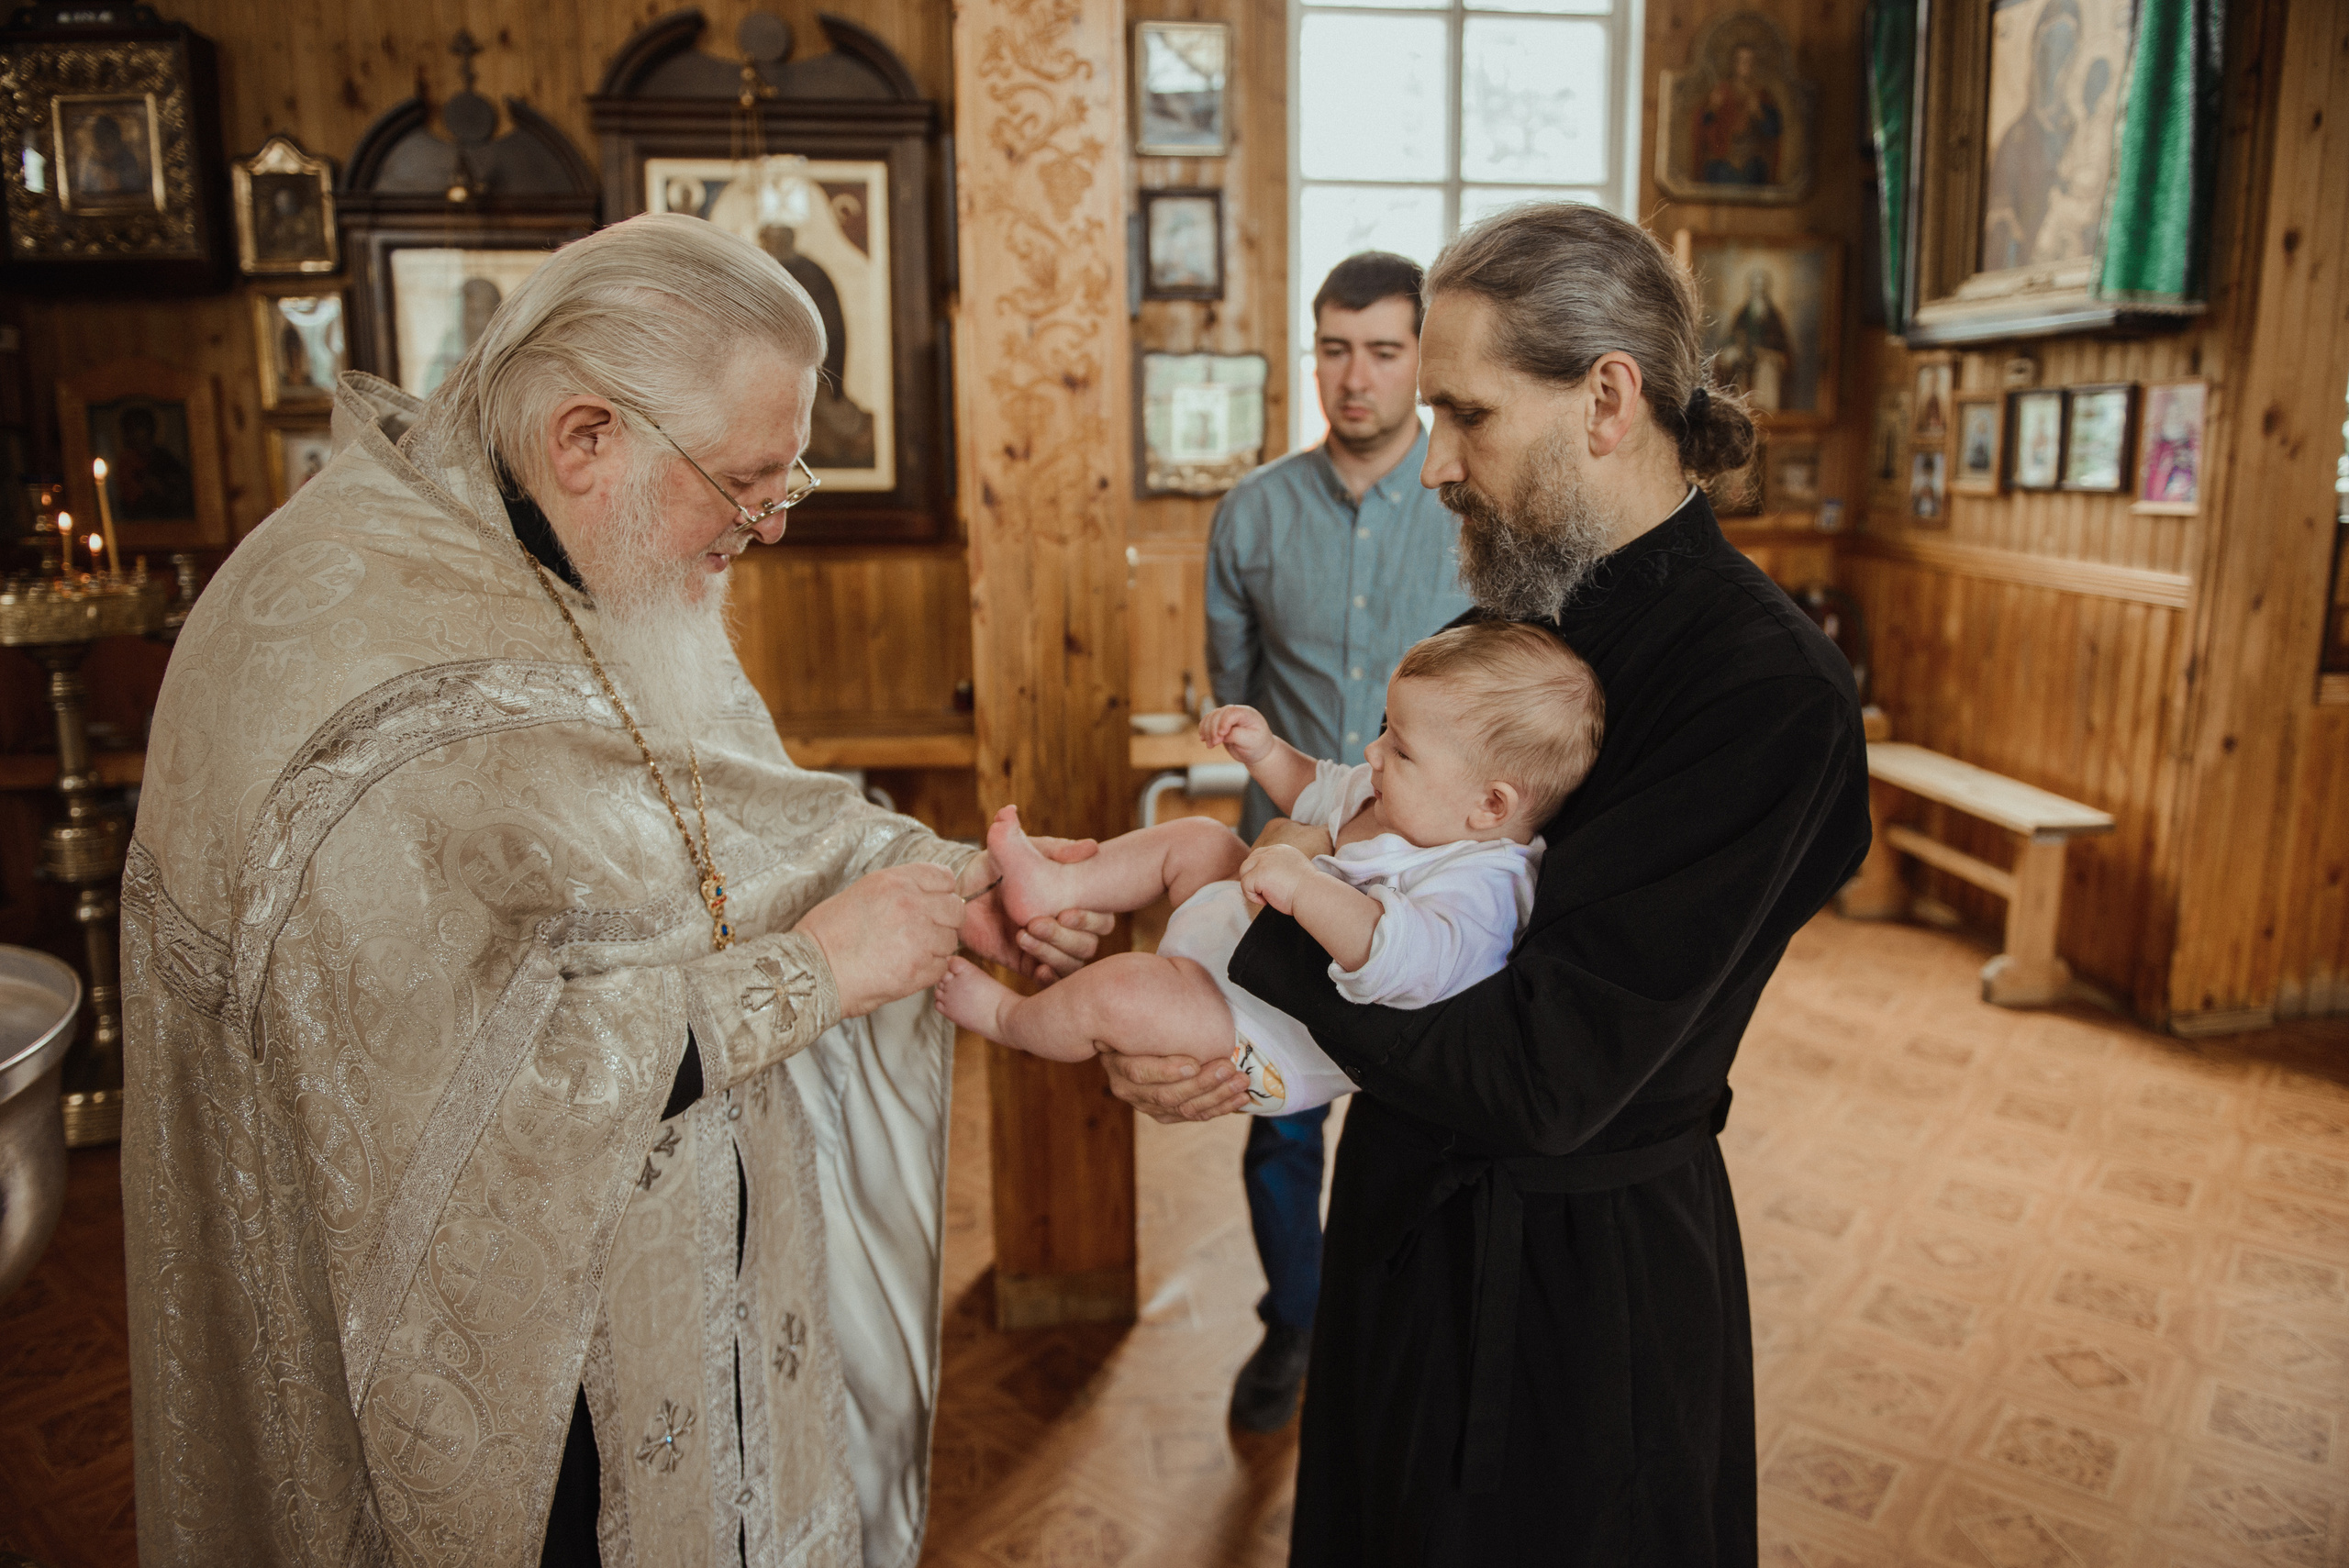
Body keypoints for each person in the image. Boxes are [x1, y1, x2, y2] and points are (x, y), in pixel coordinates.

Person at [117, 213, 1110, 1568]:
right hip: (520, 1395)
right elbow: (443, 1102)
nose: (770, 522)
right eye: (748, 481)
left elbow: (721, 820)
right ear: (587, 437)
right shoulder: (346, 658)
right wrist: (812, 974)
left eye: (787, 475)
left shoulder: (592, 558)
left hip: (690, 1321)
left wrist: (945, 881)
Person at [1104, 202, 1873, 1562]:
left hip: (1578, 1281)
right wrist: (1224, 1027)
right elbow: (1366, 851)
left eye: (1465, 415)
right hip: (1402, 1208)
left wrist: (1264, 936)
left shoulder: (1762, 689)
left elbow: (1541, 1076)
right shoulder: (1518, 618)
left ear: (1608, 400)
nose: (1436, 465)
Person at [936, 622, 1603, 1115]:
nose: (1373, 753)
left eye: (1400, 750)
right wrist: (1265, 751)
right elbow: (1316, 788)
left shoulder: (1484, 886)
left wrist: (1305, 885)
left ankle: (1007, 1019)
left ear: (1491, 805)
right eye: (1384, 731)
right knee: (1200, 837)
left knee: (1120, 990)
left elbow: (1402, 958)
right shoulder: (1399, 801)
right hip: (1238, 936)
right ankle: (1056, 884)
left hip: (1255, 1029)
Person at [1204, 250, 1473, 1431]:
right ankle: (1294, 1323)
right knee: (1278, 1116)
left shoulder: (1475, 511)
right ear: (1310, 354)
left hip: (1436, 887)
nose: (1354, 376)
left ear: (1420, 360)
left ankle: (1403, 1338)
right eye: (1333, 348)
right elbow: (1232, 687)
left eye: (1382, 350)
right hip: (1291, 863)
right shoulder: (1251, 513)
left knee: (1430, 1121)